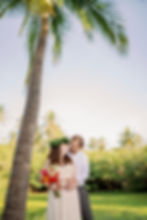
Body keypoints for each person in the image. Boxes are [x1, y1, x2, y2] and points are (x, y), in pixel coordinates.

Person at [43, 137, 82, 220]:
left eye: (66, 145)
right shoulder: (50, 161)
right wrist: (51, 186)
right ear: (58, 148)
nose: (67, 147)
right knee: (57, 213)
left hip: (70, 192)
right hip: (57, 192)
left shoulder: (70, 160)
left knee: (70, 214)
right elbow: (44, 177)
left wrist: (73, 184)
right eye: (64, 145)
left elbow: (75, 177)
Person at [69, 135, 93, 220]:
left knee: (86, 213)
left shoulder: (83, 157)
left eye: (74, 145)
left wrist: (75, 181)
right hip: (67, 188)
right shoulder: (65, 155)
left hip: (79, 187)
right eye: (71, 144)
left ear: (80, 146)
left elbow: (85, 174)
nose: (72, 147)